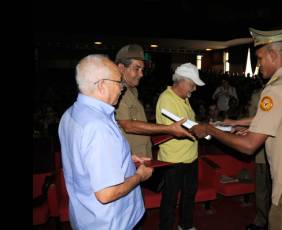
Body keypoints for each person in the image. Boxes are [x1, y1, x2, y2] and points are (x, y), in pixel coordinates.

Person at [191, 25, 282, 230]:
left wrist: (211, 130)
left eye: (260, 58)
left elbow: (249, 146)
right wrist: (236, 123)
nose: (258, 65)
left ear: (273, 54)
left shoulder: (275, 89)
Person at [58, 54, 154, 229]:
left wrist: (126, 159)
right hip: (111, 221)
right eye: (119, 83)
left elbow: (85, 162)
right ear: (102, 85)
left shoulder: (70, 114)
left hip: (85, 214)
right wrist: (139, 176)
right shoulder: (98, 126)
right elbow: (107, 193)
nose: (121, 89)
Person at [115, 44, 194, 161]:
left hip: (140, 157)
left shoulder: (132, 90)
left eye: (142, 69)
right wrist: (169, 129)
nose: (141, 74)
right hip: (129, 160)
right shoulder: (116, 92)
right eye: (137, 69)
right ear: (121, 68)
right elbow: (128, 125)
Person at [155, 63, 205, 230]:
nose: (194, 89)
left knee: (189, 196)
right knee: (169, 200)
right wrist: (203, 130)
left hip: (190, 157)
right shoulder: (166, 99)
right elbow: (178, 130)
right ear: (182, 81)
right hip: (173, 161)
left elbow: (190, 123)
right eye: (192, 84)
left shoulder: (184, 98)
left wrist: (204, 127)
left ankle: (186, 224)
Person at [223, 82, 272, 230]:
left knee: (267, 190)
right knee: (262, 190)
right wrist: (241, 127)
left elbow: (261, 121)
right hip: (260, 147)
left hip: (266, 149)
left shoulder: (269, 95)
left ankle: (267, 222)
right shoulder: (260, 94)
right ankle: (262, 221)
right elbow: (254, 120)